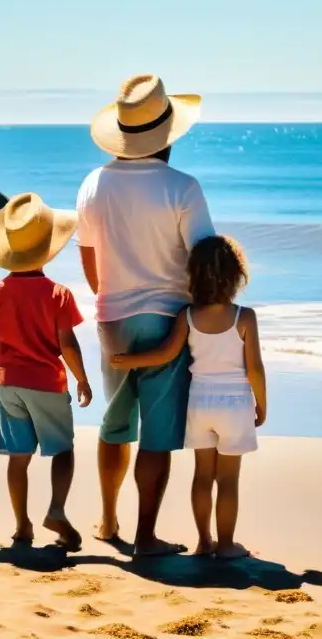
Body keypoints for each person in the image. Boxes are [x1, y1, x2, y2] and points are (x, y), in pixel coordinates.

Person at [77, 74, 215, 557]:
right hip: (166, 319)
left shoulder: (94, 183)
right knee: (157, 434)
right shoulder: (183, 187)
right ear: (168, 137)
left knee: (114, 426)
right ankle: (145, 535)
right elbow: (204, 262)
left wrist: (114, 300)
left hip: (111, 318)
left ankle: (108, 520)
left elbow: (90, 263)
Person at [111, 235, 266, 559]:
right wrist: (261, 404)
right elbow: (255, 369)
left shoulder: (188, 315)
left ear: (193, 276)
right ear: (237, 276)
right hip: (234, 405)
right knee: (227, 480)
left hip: (199, 404)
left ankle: (203, 541)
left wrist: (129, 360)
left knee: (202, 476)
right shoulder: (244, 317)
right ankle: (226, 545)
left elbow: (165, 354)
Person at [0, 192, 93, 551]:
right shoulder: (58, 294)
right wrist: (82, 379)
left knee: (19, 456)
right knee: (62, 450)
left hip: (9, 384)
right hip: (47, 382)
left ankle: (21, 527)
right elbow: (67, 344)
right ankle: (56, 510)